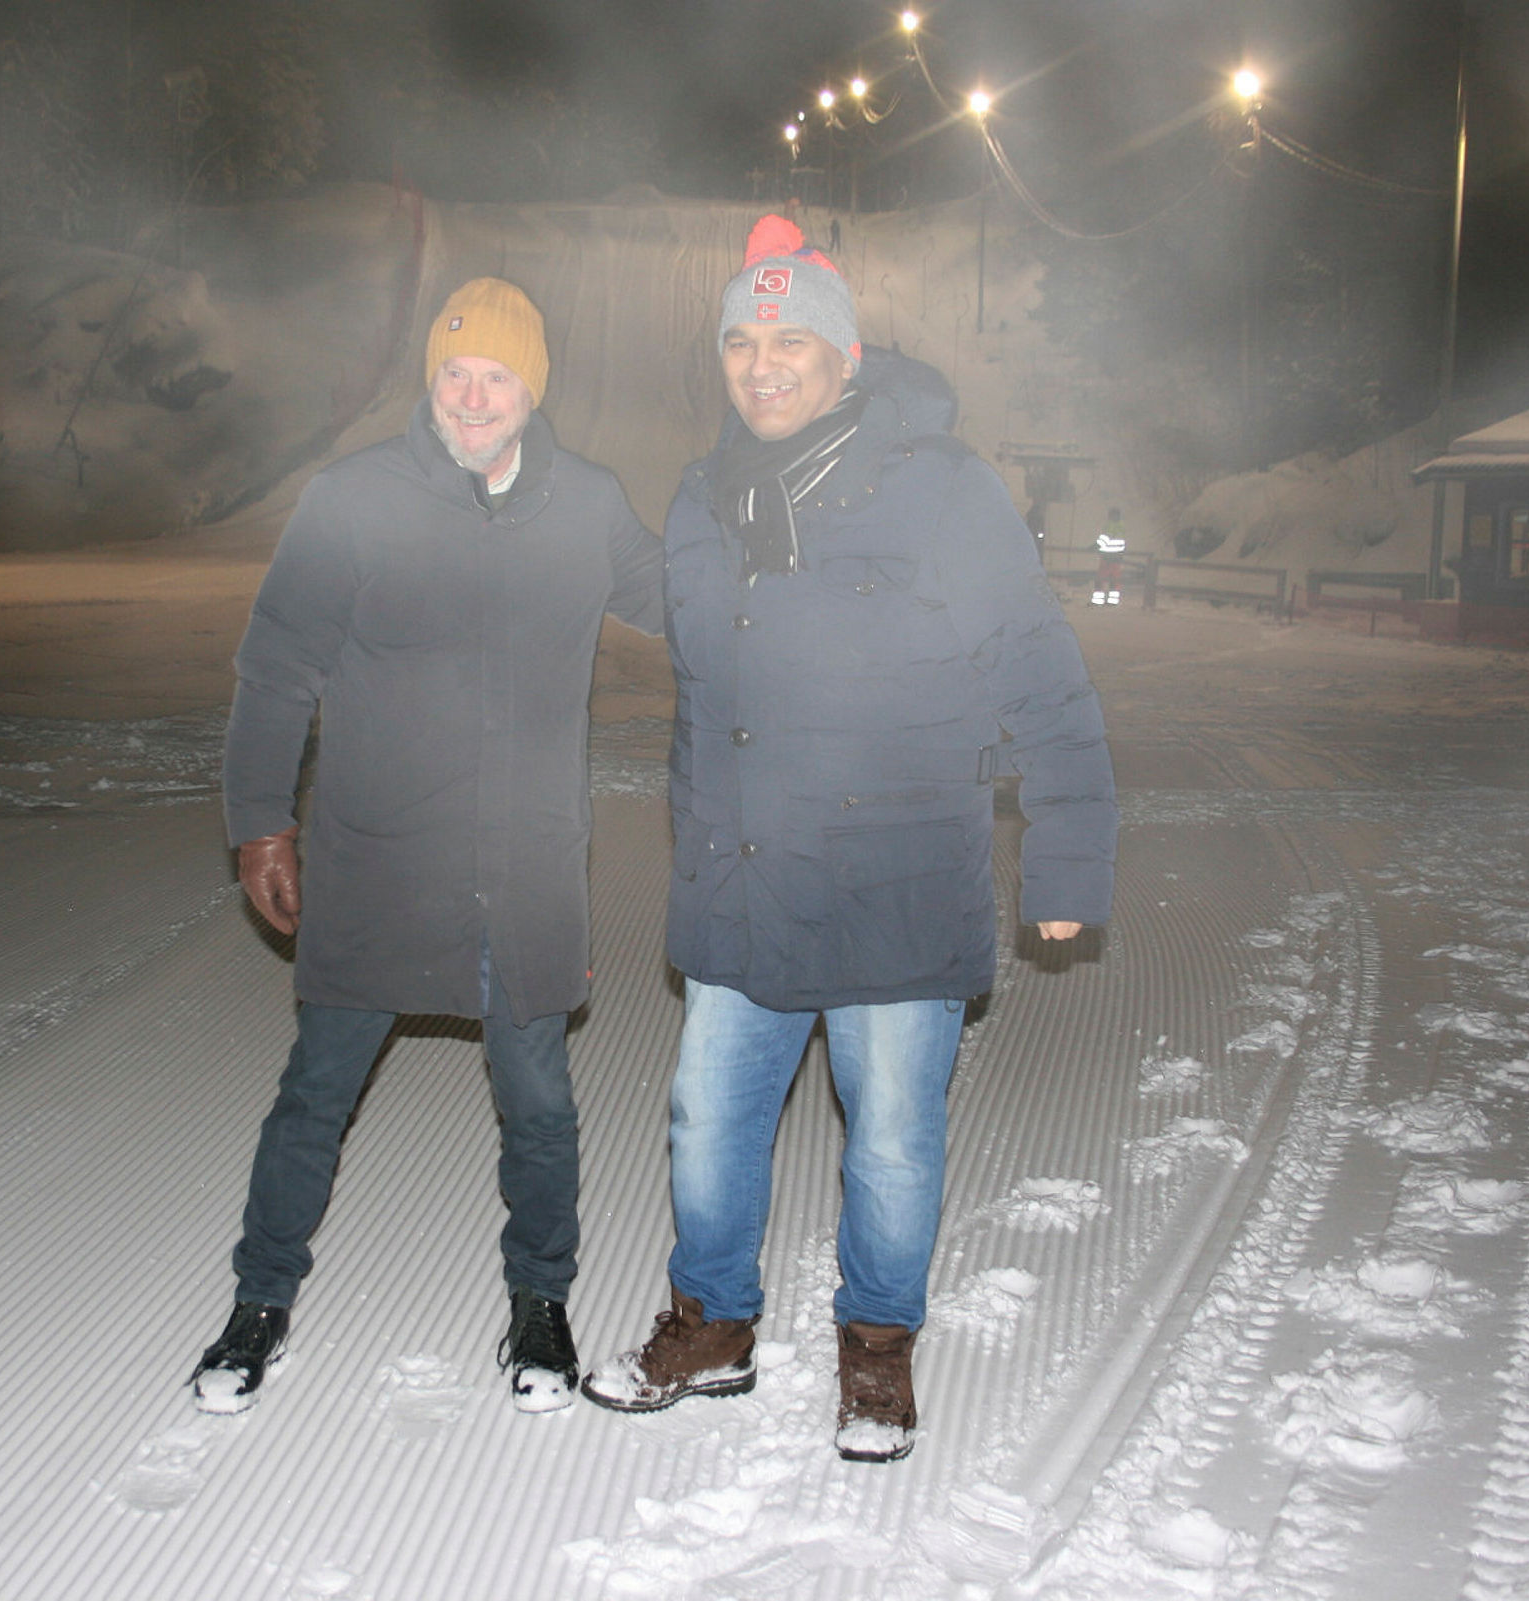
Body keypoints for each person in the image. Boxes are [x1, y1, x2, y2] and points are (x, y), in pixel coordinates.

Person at [581, 217, 1116, 1463]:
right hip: (746, 876)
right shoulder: (705, 495)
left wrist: (1068, 853)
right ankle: (712, 1323)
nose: (763, 364)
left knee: (889, 1139)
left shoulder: (940, 486)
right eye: (741, 340)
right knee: (709, 1122)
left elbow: (1039, 668)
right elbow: (702, 687)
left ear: (846, 355)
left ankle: (876, 1345)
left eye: (791, 340)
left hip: (898, 878)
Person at [193, 278, 664, 1417]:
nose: (473, 396)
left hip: (524, 867)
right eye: (456, 372)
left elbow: (693, 611)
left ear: (531, 388)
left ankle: (540, 1302)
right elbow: (277, 666)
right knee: (316, 1092)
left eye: (497, 375)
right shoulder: (353, 498)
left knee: (539, 1104)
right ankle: (260, 1300)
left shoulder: (586, 502)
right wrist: (260, 819)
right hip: (380, 857)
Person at [1094, 506, 1128, 607]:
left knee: (1100, 578)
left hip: (1107, 556)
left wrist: (1094, 547)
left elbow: (1105, 539)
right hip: (1117, 557)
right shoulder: (1122, 526)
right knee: (1115, 579)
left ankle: (1098, 601)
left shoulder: (1109, 525)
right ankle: (1113, 601)